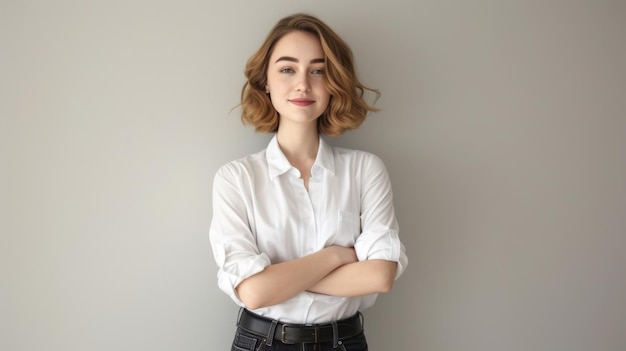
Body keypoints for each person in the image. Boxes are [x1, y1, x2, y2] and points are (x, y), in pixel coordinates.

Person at [209, 13, 407, 351]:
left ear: (334, 83)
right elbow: (254, 293)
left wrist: (279, 280)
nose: (303, 84)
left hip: (343, 342)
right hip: (261, 342)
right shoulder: (236, 178)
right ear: (266, 81)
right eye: (287, 69)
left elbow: (379, 276)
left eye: (318, 70)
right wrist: (335, 256)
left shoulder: (364, 170)